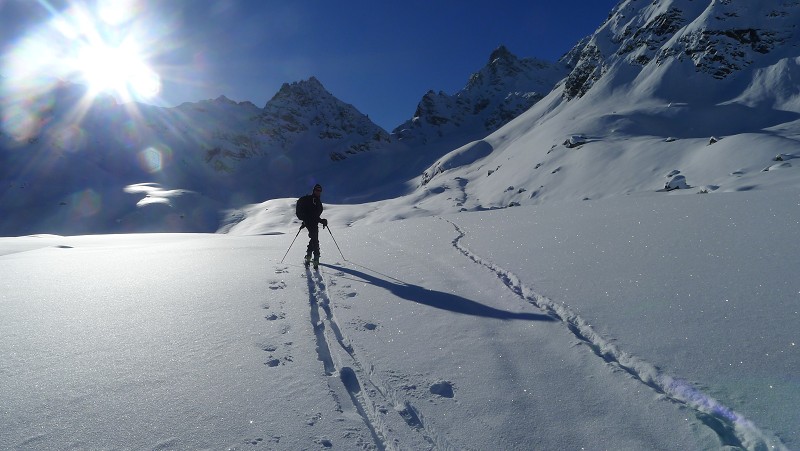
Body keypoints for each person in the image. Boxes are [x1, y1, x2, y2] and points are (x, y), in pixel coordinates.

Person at [295, 183, 328, 268]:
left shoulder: (316, 201)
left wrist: (306, 222)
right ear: (314, 190)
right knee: (315, 240)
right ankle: (316, 259)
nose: (318, 192)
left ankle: (309, 256)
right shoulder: (313, 200)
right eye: (317, 190)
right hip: (311, 223)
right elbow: (312, 215)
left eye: (320, 190)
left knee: (313, 238)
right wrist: (321, 220)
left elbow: (313, 215)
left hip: (311, 223)